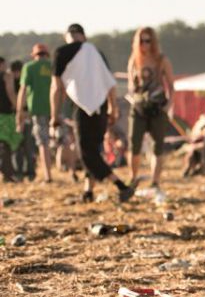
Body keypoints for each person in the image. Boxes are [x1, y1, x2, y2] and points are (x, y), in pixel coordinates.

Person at [50, 23, 135, 203]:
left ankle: (121, 185)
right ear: (83, 35)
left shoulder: (61, 52)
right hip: (101, 106)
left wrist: (54, 116)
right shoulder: (96, 52)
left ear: (68, 35)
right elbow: (110, 82)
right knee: (93, 149)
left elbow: (56, 88)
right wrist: (113, 108)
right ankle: (88, 192)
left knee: (86, 153)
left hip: (82, 107)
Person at [126, 27, 174, 194]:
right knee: (134, 144)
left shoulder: (161, 60)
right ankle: (133, 177)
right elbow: (131, 85)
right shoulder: (134, 60)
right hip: (139, 107)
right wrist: (133, 95)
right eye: (141, 41)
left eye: (148, 41)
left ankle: (155, 181)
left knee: (158, 146)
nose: (144, 44)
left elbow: (170, 85)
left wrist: (169, 105)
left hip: (157, 107)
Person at [16, 44, 54, 182]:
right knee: (63, 141)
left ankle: (48, 176)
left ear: (34, 55)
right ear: (46, 54)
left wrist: (19, 112)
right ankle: (73, 170)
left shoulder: (29, 67)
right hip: (56, 109)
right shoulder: (53, 66)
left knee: (43, 142)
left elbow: (22, 90)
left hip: (38, 110)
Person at [0, 57, 22, 182]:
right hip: (5, 115)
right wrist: (18, 108)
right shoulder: (6, 77)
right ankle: (7, 174)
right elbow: (11, 93)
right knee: (6, 144)